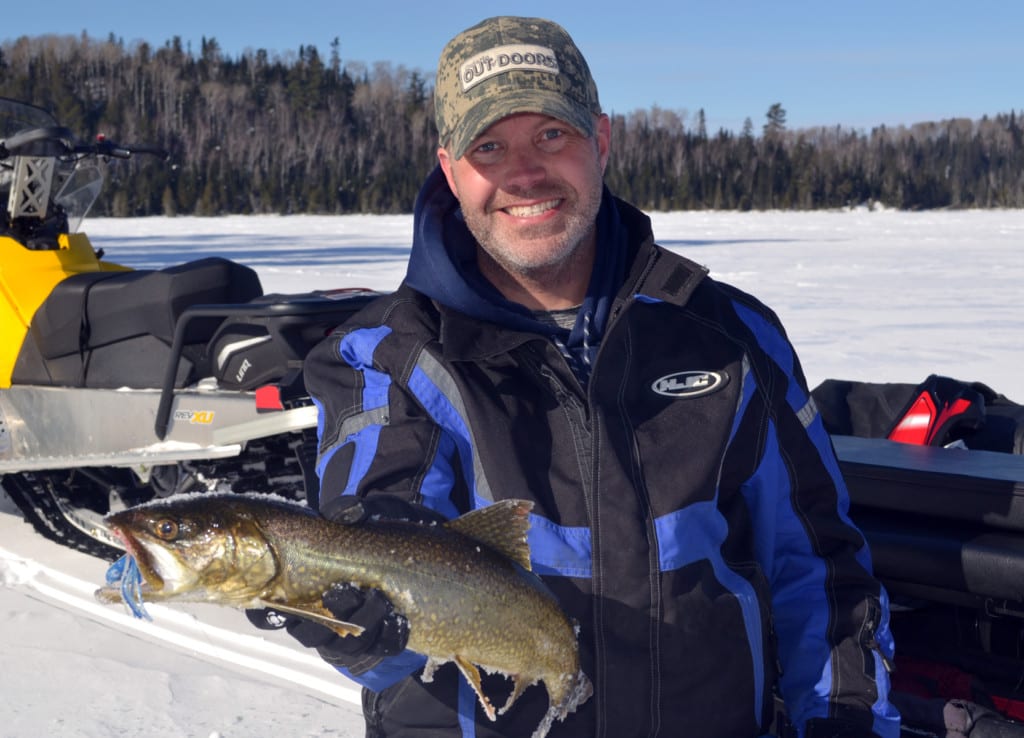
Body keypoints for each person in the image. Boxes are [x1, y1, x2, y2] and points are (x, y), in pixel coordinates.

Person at [254, 15, 900, 738]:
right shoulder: (387, 358)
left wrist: (844, 720)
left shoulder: (731, 337)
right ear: (449, 169)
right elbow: (377, 532)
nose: (524, 173)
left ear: (600, 140)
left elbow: (819, 568)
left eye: (551, 136)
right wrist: (354, 623)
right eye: (489, 146)